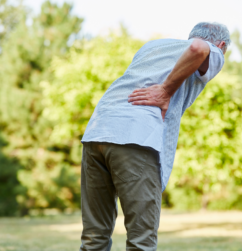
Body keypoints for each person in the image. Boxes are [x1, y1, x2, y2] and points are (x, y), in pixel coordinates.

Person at [80, 22, 231, 251]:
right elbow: (199, 48)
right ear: (221, 45)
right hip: (135, 136)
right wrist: (165, 91)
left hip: (97, 130)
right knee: (142, 241)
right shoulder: (214, 50)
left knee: (94, 237)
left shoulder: (154, 46)